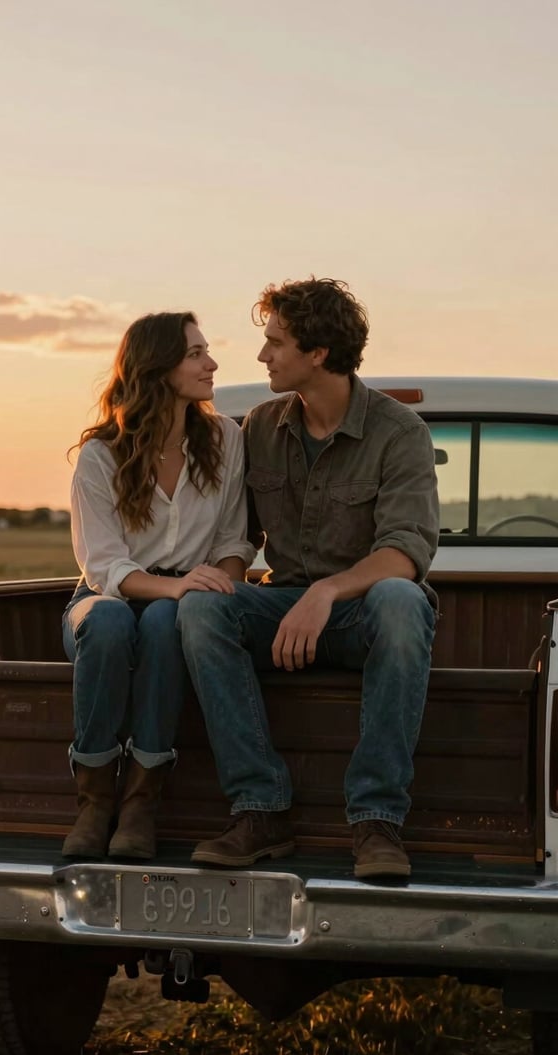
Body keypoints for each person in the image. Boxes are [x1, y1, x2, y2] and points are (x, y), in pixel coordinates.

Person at [177, 277, 439, 879]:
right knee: (201, 607)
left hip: (360, 612)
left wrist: (326, 591)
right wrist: (228, 582)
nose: (263, 355)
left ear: (318, 353)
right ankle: (259, 809)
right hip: (282, 610)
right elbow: (235, 536)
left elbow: (404, 551)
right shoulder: (261, 427)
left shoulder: (400, 433)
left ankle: (376, 822)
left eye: (275, 343)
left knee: (402, 601)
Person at [62, 311, 256, 861]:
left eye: (206, 350)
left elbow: (233, 541)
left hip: (183, 605)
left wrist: (217, 594)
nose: (211, 363)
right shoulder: (101, 455)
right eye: (196, 353)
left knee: (173, 620)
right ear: (157, 366)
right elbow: (104, 568)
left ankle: (142, 802)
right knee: (110, 619)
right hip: (103, 604)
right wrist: (177, 588)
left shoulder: (225, 439)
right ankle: (94, 801)